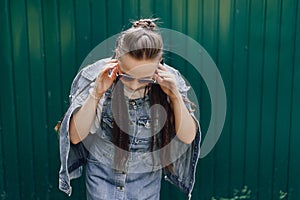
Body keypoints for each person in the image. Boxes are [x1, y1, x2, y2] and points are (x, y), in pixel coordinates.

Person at [58, 18, 201, 200]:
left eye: (144, 80)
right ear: (117, 57)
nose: (134, 86)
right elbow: (76, 136)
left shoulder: (169, 81)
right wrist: (97, 92)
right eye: (126, 76)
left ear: (158, 66)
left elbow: (187, 136)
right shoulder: (96, 76)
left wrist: (174, 95)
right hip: (102, 180)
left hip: (146, 183)